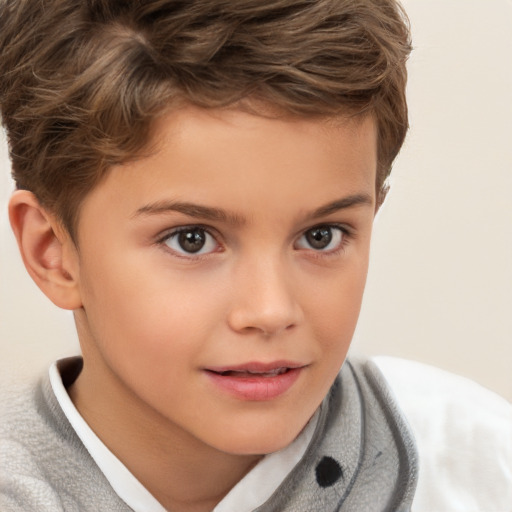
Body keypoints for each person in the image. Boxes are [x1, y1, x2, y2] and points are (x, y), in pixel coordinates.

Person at [0, 1, 510, 511]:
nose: (270, 310)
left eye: (321, 236)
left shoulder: (478, 466)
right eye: (192, 239)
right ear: (53, 253)